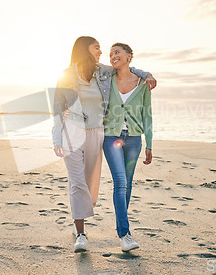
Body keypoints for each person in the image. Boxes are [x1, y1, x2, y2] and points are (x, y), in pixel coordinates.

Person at [52, 36, 156, 252]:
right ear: (84, 50)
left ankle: (78, 216)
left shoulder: (102, 72)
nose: (101, 52)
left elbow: (127, 69)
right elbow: (56, 108)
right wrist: (56, 138)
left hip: (97, 131)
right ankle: (81, 233)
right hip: (72, 132)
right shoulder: (66, 76)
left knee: (89, 182)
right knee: (77, 180)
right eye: (97, 48)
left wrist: (147, 75)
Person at [102, 42, 153, 252]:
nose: (113, 56)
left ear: (129, 56)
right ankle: (124, 234)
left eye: (117, 52)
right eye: (110, 54)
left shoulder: (142, 84)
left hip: (133, 139)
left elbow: (147, 114)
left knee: (128, 184)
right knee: (120, 182)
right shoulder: (106, 79)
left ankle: (122, 224)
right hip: (111, 136)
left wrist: (149, 143)